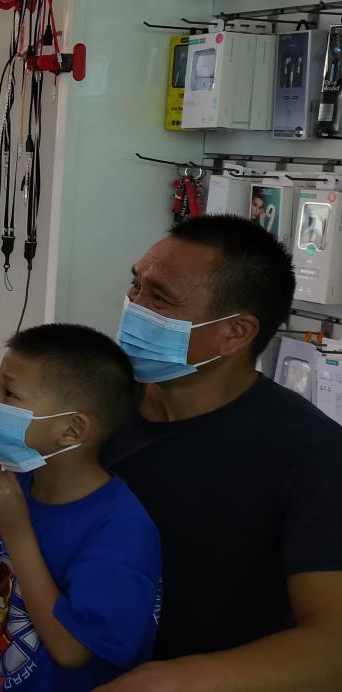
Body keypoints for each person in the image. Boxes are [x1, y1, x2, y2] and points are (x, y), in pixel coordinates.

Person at [99, 216, 342, 691]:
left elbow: (333, 646)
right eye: (136, 285)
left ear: (235, 332)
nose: (134, 307)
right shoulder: (95, 406)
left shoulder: (312, 456)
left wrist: (178, 680)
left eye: (160, 297)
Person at [0, 324, 162, 691]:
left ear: (72, 430)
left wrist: (16, 532)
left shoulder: (122, 533)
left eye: (10, 393)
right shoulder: (23, 483)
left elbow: (72, 650)